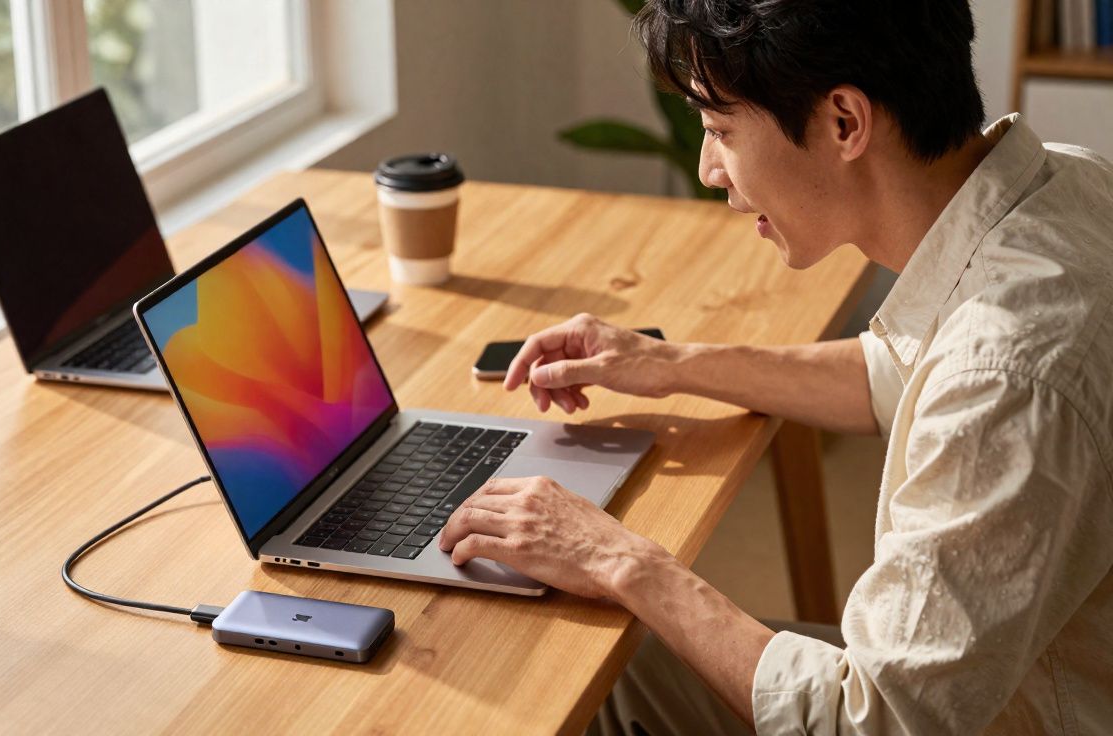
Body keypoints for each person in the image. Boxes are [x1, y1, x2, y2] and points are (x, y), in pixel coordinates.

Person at [435, 0, 1113, 733]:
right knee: (621, 662)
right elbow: (898, 374)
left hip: (1016, 714)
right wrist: (669, 363)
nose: (708, 170)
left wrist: (620, 559)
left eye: (721, 130)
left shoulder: (1006, 374)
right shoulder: (1067, 186)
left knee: (584, 658)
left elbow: (868, 719)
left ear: (844, 122)